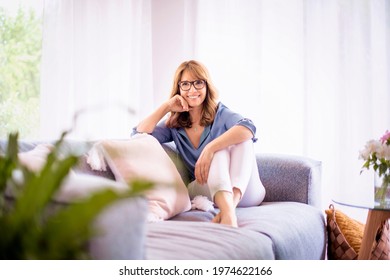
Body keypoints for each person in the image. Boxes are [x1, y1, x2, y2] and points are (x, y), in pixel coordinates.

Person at [133, 60, 265, 227]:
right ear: (178, 88)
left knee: (238, 140)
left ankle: (229, 209)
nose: (192, 90)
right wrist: (166, 106)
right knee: (221, 151)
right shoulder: (174, 124)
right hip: (205, 189)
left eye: (198, 83)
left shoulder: (220, 114)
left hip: (246, 191)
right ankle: (228, 214)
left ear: (206, 86)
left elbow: (249, 127)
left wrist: (210, 148)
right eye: (185, 84)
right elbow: (139, 135)